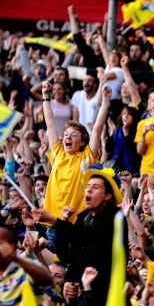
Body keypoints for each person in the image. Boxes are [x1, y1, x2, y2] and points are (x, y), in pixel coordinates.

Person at [32, 166, 123, 306]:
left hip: (108, 301)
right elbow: (67, 256)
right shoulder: (83, 218)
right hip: (83, 300)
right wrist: (69, 281)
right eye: (87, 186)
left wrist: (54, 221)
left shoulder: (116, 218)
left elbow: (88, 236)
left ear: (107, 195)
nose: (88, 190)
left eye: (95, 187)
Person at [41, 81, 110, 251]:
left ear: (82, 142)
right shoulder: (57, 152)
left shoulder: (85, 158)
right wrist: (45, 97)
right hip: (53, 223)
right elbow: (50, 124)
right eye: (65, 135)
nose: (67, 138)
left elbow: (98, 129)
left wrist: (106, 101)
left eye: (73, 135)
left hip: (75, 227)